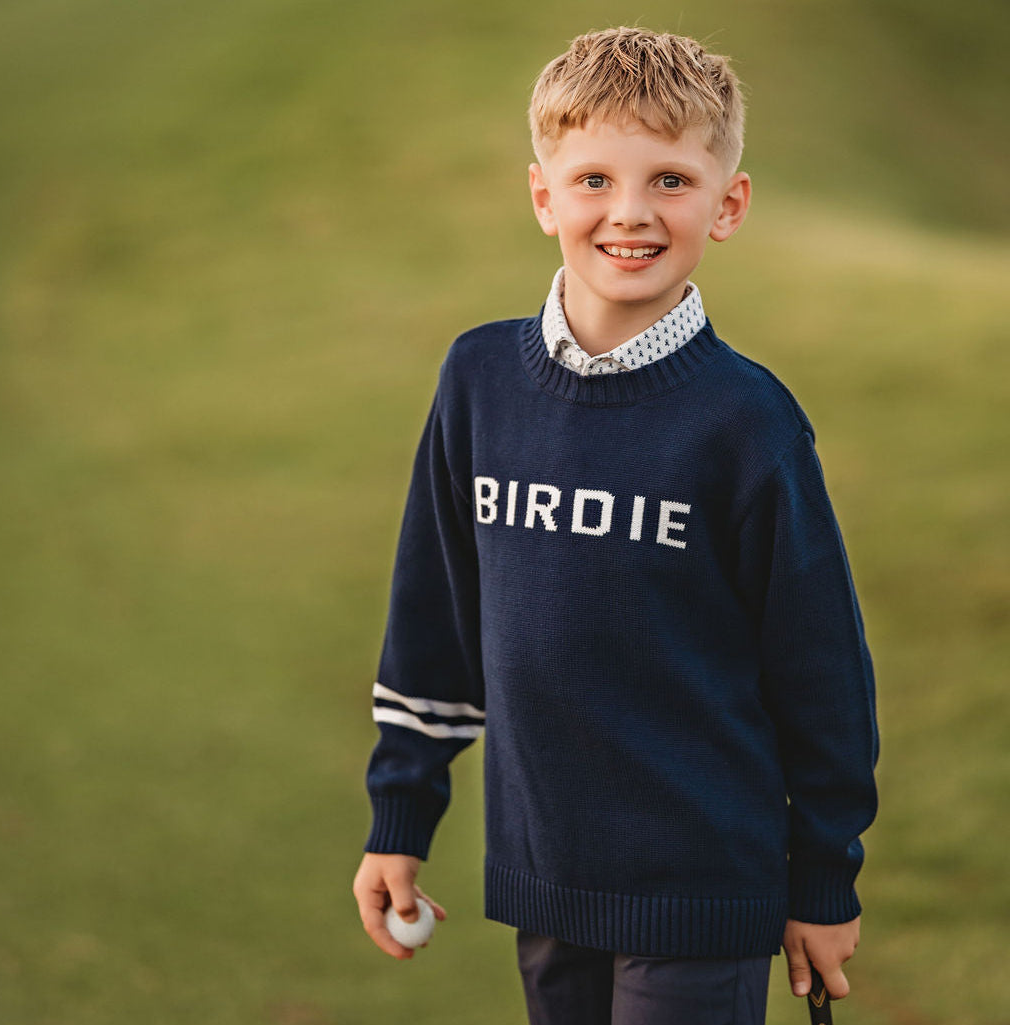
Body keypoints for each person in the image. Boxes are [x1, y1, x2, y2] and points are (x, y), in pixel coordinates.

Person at [352, 26, 878, 1025]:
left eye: (671, 181)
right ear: (543, 195)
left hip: (701, 882)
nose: (629, 213)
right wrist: (400, 814)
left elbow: (822, 672)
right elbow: (435, 619)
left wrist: (823, 877)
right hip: (544, 872)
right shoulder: (477, 382)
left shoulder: (747, 422)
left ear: (728, 205)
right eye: (592, 178)